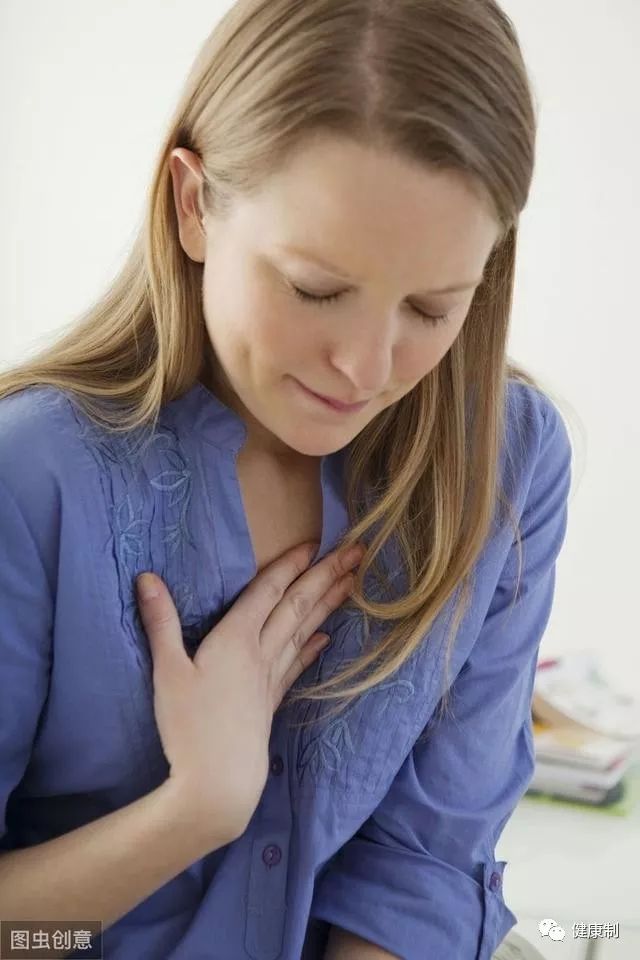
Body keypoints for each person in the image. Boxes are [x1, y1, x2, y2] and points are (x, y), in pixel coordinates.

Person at [0, 1, 573, 958]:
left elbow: (425, 869)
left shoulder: (510, 464)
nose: (367, 368)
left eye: (432, 309)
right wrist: (194, 810)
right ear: (193, 207)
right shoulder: (30, 482)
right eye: (316, 289)